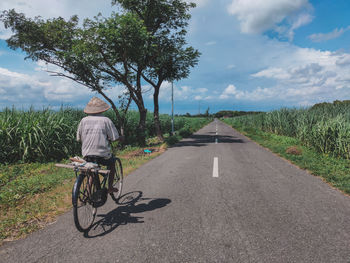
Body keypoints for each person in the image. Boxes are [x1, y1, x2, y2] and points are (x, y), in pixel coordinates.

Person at [76, 97, 123, 194]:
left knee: (92, 169)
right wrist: (121, 138)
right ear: (102, 109)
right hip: (102, 154)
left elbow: (79, 138)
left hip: (87, 154)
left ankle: (89, 191)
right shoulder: (106, 120)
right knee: (112, 163)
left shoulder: (83, 120)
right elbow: (114, 138)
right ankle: (110, 187)